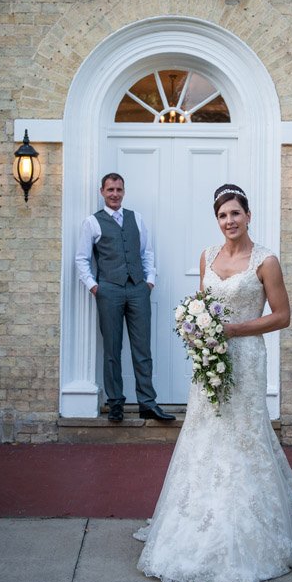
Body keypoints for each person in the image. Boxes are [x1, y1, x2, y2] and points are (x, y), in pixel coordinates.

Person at [134, 183, 292, 582]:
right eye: (222, 215)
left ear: (248, 215)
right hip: (210, 362)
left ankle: (255, 523)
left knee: (244, 433)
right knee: (205, 432)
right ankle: (196, 516)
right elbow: (201, 305)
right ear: (216, 220)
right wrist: (195, 329)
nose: (229, 221)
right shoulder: (207, 255)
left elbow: (283, 316)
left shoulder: (266, 261)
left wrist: (233, 329)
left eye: (235, 213)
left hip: (246, 359)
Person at [75, 173, 175, 423]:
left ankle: (147, 403)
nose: (115, 194)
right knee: (112, 349)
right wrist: (94, 286)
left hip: (138, 289)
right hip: (109, 289)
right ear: (102, 192)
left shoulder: (136, 219)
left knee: (143, 348)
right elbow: (81, 259)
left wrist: (149, 280)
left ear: (124, 191)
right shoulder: (92, 223)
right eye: (110, 189)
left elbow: (147, 252)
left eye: (119, 189)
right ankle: (116, 402)